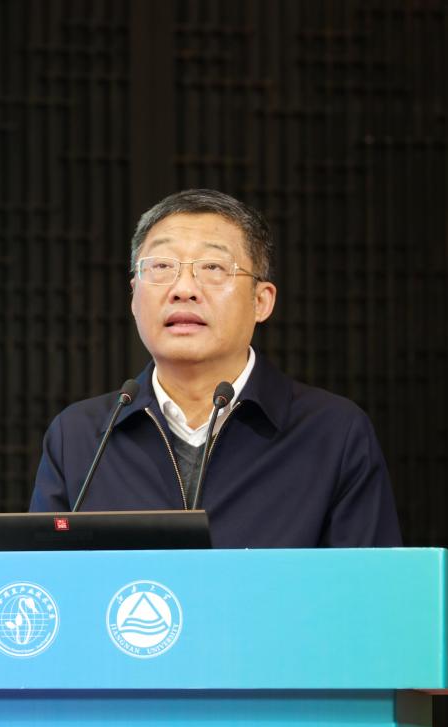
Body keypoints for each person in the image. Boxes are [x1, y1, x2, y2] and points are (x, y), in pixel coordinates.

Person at [29, 189, 402, 547]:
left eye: (213, 267)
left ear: (261, 301)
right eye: (161, 267)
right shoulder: (79, 437)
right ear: (134, 297)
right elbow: (40, 581)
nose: (183, 289)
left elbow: (369, 586)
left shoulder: (334, 434)